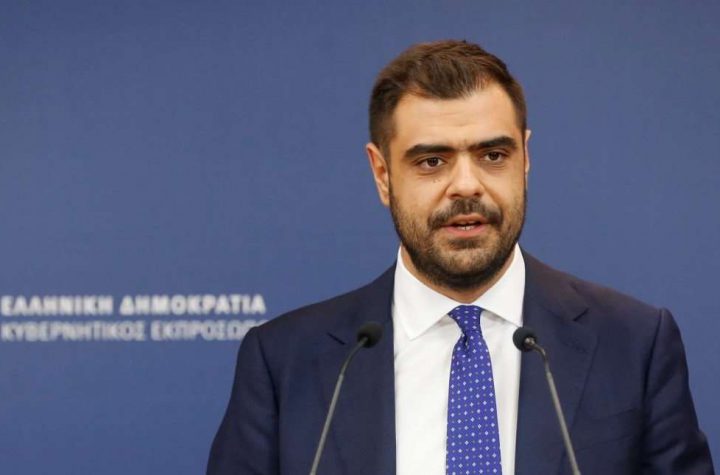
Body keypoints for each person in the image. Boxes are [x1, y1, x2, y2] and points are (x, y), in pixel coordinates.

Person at [207, 40, 714, 475]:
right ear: (382, 174)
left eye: (493, 156)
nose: (467, 185)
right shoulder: (285, 363)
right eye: (432, 161)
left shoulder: (634, 344)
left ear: (525, 157)